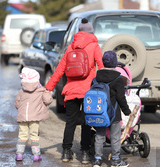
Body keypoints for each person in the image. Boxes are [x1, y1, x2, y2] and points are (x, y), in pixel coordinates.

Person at [45, 18, 104, 164]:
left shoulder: (70, 47)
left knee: (70, 122)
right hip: (88, 92)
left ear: (78, 32)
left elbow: (59, 71)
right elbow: (102, 68)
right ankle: (84, 154)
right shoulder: (94, 46)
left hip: (70, 91)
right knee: (86, 122)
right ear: (91, 32)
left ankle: (66, 152)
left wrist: (48, 88)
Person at [92, 51, 131, 167]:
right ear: (115, 63)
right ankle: (115, 160)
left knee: (99, 136)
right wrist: (126, 110)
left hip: (99, 112)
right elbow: (120, 97)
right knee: (115, 137)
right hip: (114, 114)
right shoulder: (118, 79)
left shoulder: (96, 78)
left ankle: (97, 160)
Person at [15, 67, 53, 162]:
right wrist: (47, 93)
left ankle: (19, 154)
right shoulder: (41, 91)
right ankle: (36, 155)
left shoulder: (21, 91)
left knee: (22, 135)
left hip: (23, 118)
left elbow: (17, 104)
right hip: (35, 118)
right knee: (34, 135)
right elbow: (48, 101)